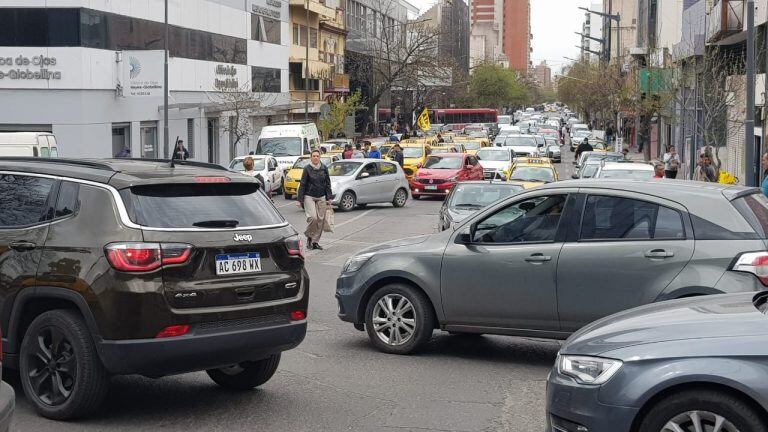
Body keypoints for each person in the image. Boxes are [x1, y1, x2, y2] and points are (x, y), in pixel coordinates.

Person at [297, 150, 333, 251]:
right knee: (313, 218)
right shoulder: (307, 169)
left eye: (317, 156)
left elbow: (328, 183)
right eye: (314, 156)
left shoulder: (324, 168)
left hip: (321, 196)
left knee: (321, 220)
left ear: (319, 157)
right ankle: (309, 235)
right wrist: (299, 200)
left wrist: (329, 197)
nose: (316, 158)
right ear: (311, 157)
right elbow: (303, 184)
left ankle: (315, 242)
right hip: (309, 196)